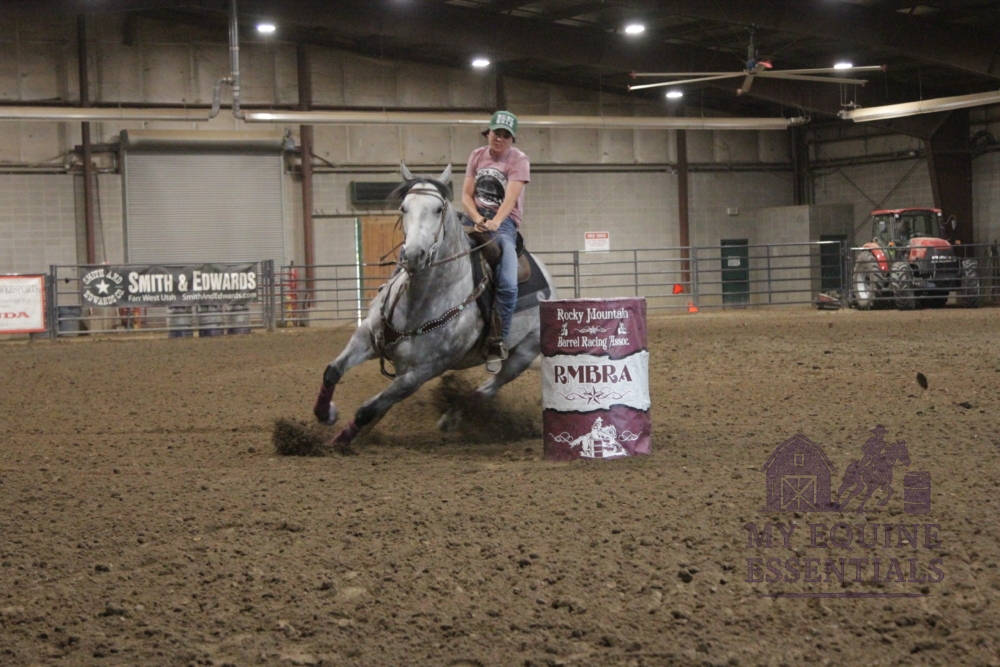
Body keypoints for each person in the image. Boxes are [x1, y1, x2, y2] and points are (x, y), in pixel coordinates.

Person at [462, 110, 529, 374]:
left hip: (504, 224)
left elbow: (510, 198)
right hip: (475, 217)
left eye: (505, 135)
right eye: (496, 133)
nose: (499, 139)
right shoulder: (476, 156)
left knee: (509, 284)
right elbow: (466, 195)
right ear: (488, 133)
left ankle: (496, 342)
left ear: (511, 139)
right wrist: (477, 218)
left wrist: (494, 222)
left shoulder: (519, 160)